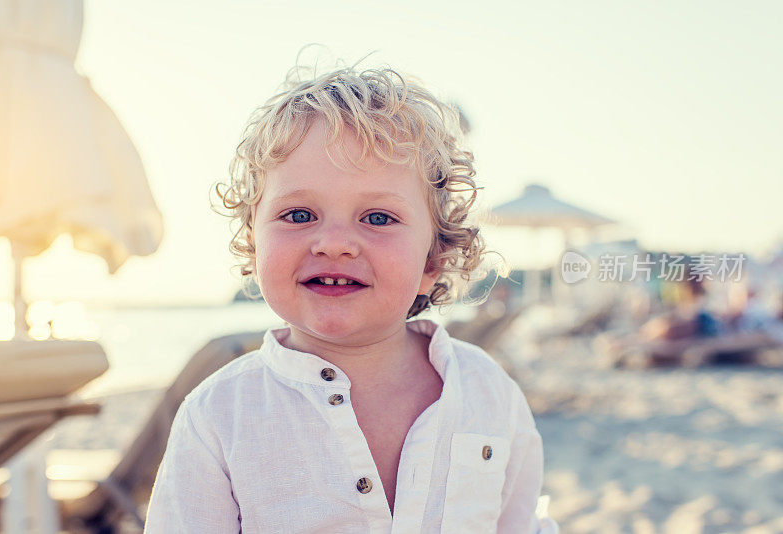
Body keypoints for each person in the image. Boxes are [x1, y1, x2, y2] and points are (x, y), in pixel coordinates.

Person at [144, 62, 558, 533]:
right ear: (254, 244)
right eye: (299, 214)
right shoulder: (218, 417)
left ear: (433, 260)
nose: (334, 242)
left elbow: (520, 523)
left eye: (378, 218)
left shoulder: (488, 392)